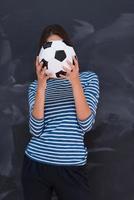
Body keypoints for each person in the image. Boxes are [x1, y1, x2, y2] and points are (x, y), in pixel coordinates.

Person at [21, 24, 100, 200]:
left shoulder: (88, 79)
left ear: (69, 49)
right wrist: (42, 86)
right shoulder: (35, 87)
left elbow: (86, 124)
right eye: (48, 47)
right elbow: (35, 129)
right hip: (36, 163)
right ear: (42, 55)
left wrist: (74, 81)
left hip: (71, 167)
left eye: (59, 46)